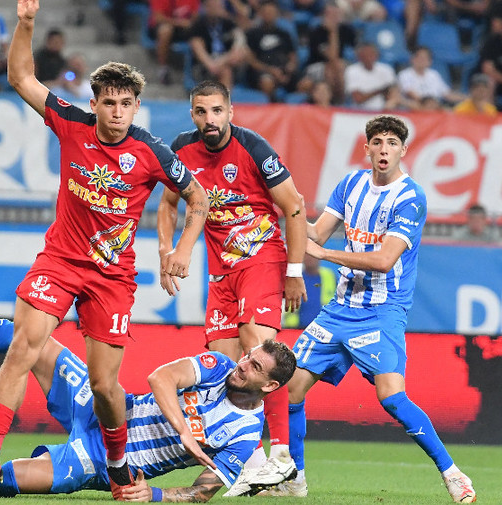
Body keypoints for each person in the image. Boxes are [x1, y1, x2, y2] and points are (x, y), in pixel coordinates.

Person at [0, 0, 210, 500]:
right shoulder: (71, 123)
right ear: (94, 104)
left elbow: (200, 197)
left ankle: (116, 463)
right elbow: (21, 78)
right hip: (60, 260)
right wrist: (26, 24)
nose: (116, 113)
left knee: (104, 387)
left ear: (136, 107)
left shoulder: (153, 153)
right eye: (108, 103)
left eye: (125, 104)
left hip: (112, 278)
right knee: (24, 346)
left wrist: (178, 249)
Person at [247, 115, 477, 503]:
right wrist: (279, 218)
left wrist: (323, 254)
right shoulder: (351, 184)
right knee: (290, 389)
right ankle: (295, 479)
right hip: (340, 308)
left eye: (391, 142)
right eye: (377, 141)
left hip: (382, 310)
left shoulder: (410, 197)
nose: (384, 148)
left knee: (391, 398)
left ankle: (453, 473)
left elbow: (385, 259)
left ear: (403, 150)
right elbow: (316, 232)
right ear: (367, 148)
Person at [0, 290, 297, 502]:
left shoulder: (244, 436)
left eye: (255, 367)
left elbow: (201, 493)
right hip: (108, 410)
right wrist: (183, 430)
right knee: (31, 338)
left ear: (270, 387)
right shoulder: (218, 365)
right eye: (248, 356)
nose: (243, 365)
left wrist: (155, 495)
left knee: (12, 479)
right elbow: (160, 378)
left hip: (110, 462)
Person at [156, 80, 307, 496]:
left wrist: (294, 271)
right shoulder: (181, 151)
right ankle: (255, 465)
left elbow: (293, 207)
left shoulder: (253, 148)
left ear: (230, 111)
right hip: (222, 272)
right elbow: (168, 205)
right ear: (192, 114)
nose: (210, 119)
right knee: (226, 368)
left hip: (262, 259)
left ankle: (282, 457)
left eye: (217, 111)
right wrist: (166, 251)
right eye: (202, 112)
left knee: (258, 352)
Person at [244, 0, 300, 103]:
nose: (269, 15)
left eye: (271, 12)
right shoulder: (253, 34)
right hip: (263, 71)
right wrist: (271, 71)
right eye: (266, 12)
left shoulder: (285, 34)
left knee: (305, 84)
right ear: (261, 13)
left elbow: (293, 57)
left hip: (283, 71)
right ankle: (273, 109)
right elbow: (251, 61)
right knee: (267, 83)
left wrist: (289, 68)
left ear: (277, 14)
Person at [344, 41, 400, 110]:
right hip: (359, 112)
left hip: (383, 111)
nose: (369, 58)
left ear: (377, 55)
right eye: (365, 55)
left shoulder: (386, 69)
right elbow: (358, 99)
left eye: (371, 54)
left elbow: (393, 93)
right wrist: (382, 90)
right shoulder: (352, 70)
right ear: (359, 56)